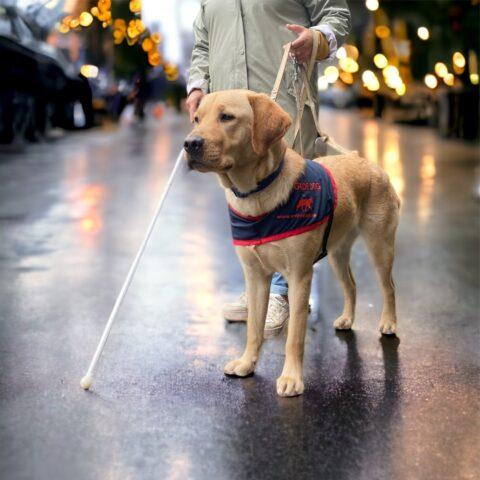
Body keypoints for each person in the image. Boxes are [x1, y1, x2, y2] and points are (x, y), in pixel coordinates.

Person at [187, 0, 351, 335]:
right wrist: (197, 85)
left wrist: (317, 37)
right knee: (245, 199)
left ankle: (284, 291)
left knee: (291, 202)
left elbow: (337, 13)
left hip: (283, 109)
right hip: (229, 122)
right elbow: (203, 43)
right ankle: (258, 289)